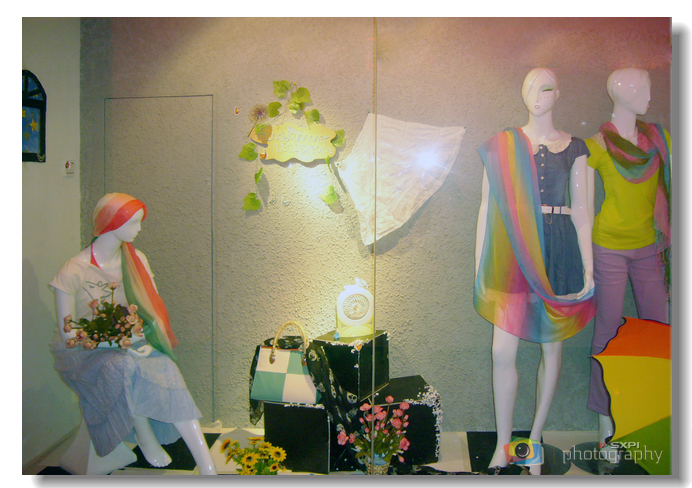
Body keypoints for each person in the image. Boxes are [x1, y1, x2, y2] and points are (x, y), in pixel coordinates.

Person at [475, 68, 597, 474]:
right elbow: (486, 207)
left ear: (558, 94)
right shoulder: (502, 146)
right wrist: (480, 267)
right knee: (501, 351)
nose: (537, 95)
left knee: (551, 348)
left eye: (545, 87)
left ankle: (535, 440)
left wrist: (589, 267)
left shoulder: (575, 148)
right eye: (529, 86)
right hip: (512, 252)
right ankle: (503, 443)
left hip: (559, 250)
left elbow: (583, 212)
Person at [49, 193, 216, 475]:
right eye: (133, 223)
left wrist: (144, 338)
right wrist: (116, 342)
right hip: (83, 353)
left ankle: (206, 465)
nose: (138, 229)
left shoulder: (137, 260)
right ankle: (145, 435)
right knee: (124, 366)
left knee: (166, 366)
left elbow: (150, 309)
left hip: (131, 342)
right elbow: (69, 336)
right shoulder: (74, 269)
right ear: (110, 223)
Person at [585, 68, 671, 449]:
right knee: (608, 330)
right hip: (610, 248)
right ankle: (605, 423)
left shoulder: (660, 141)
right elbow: (583, 207)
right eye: (643, 89)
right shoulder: (597, 147)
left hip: (649, 247)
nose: (650, 96)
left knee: (659, 329)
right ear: (621, 94)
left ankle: (649, 415)